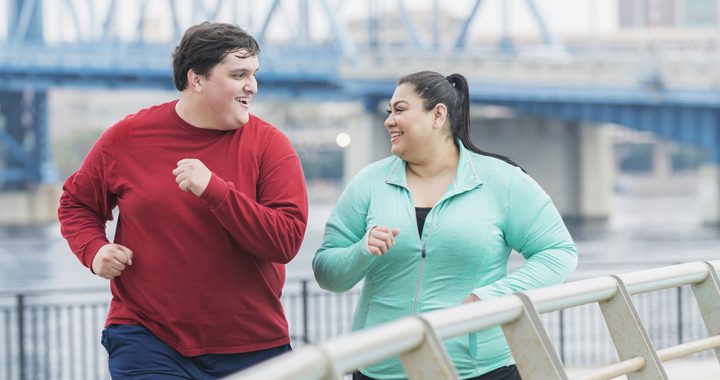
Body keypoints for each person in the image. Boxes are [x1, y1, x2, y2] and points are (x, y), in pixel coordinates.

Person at [57, 22, 308, 379]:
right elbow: (76, 203)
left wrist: (215, 191)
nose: (251, 86)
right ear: (197, 79)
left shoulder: (272, 145)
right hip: (146, 336)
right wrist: (93, 249)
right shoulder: (126, 137)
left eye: (253, 74)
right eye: (239, 75)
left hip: (251, 343)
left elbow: (285, 242)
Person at [312, 71, 577, 380]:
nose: (388, 121)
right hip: (381, 368)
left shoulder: (502, 181)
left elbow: (558, 252)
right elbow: (327, 273)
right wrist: (362, 251)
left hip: (481, 370)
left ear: (438, 114)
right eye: (388, 112)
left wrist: (491, 297)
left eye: (400, 110)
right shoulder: (369, 183)